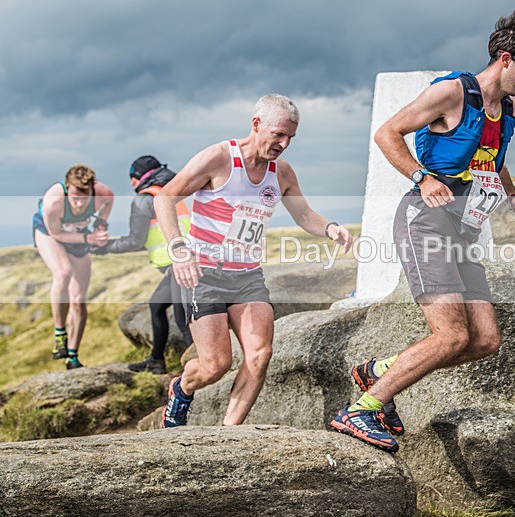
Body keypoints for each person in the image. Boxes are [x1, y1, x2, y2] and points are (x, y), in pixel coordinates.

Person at [330, 10, 515, 452]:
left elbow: (492, 156)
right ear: (505, 58)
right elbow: (388, 133)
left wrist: (513, 197)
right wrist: (423, 177)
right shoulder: (453, 92)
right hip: (425, 220)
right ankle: (361, 410)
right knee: (452, 335)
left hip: (463, 231)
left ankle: (380, 370)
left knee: (484, 340)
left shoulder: (510, 109)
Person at [154, 94, 353, 428]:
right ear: (256, 124)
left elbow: (304, 214)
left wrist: (331, 227)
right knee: (214, 365)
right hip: (204, 274)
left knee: (259, 355)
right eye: (278, 134)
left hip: (246, 275)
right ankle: (181, 388)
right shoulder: (218, 159)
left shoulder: (282, 173)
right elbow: (165, 197)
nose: (284, 143)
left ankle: (229, 433)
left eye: (290, 137)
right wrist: (179, 249)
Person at [93, 155, 193, 374]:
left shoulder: (144, 199)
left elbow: (135, 240)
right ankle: (157, 360)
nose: (131, 183)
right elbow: (150, 238)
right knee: (157, 305)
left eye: (133, 177)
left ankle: (198, 369)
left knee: (183, 320)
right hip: (184, 261)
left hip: (179, 265)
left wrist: (105, 247)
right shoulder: (171, 194)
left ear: (141, 178)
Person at [32, 164, 114, 370]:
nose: (78, 204)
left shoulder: (102, 193)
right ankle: (60, 333)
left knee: (78, 300)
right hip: (50, 234)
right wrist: (89, 237)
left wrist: (100, 225)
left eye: (84, 198)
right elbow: (58, 234)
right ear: (67, 187)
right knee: (63, 272)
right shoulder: (53, 202)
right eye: (74, 197)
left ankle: (73, 356)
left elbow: (109, 201)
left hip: (79, 233)